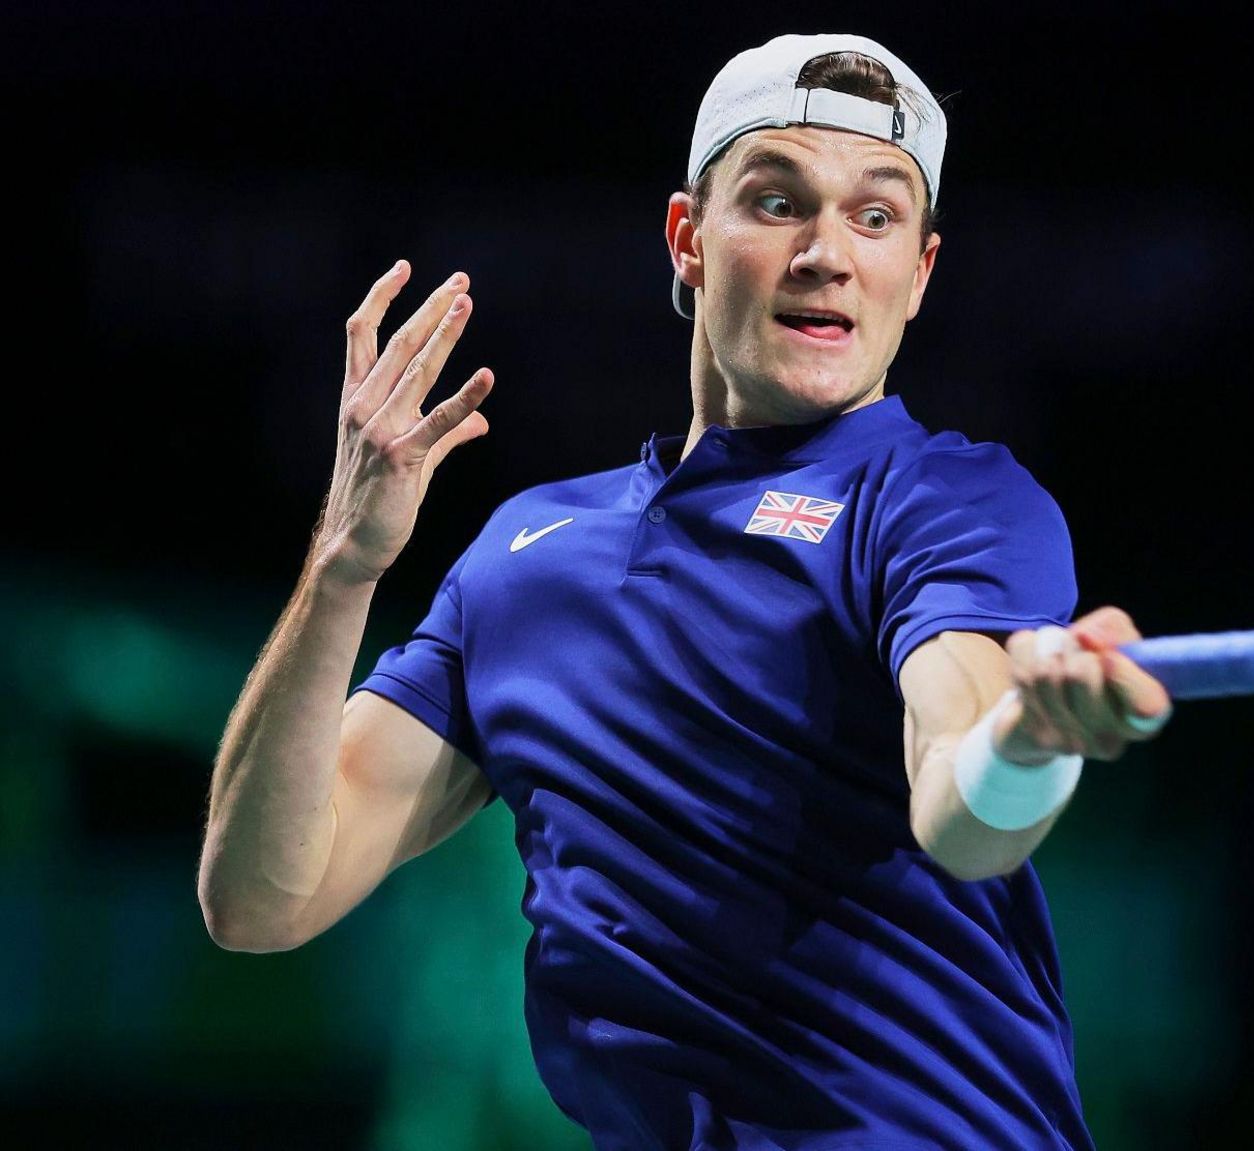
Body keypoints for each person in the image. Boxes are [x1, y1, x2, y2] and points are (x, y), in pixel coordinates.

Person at [197, 30, 1172, 1151]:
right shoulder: (524, 555)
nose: (825, 253)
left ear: (919, 271)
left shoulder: (947, 502)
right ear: (687, 239)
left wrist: (1028, 742)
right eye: (774, 202)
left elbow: (962, 810)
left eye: (875, 215)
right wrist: (342, 566)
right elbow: (262, 896)